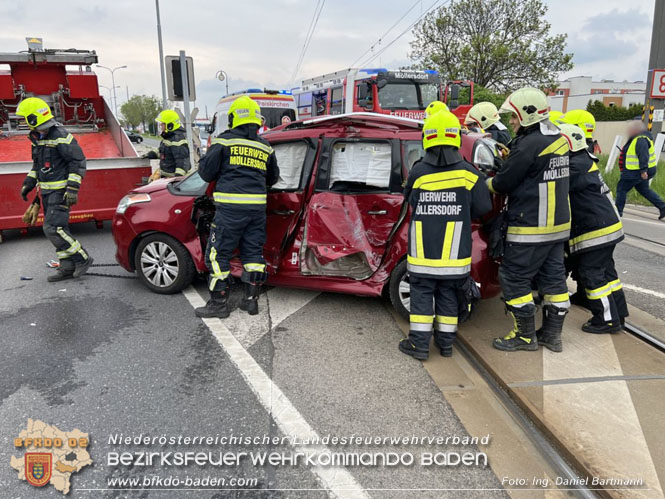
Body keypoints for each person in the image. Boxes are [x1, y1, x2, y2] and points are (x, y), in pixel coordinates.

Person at [399, 110, 492, 360]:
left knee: (421, 299)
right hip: (455, 256)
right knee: (448, 296)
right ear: (456, 138)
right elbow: (484, 208)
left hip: (423, 253)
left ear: (426, 138)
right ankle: (446, 344)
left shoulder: (418, 173)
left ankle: (418, 345)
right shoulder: (469, 173)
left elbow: (410, 201)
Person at [487, 87, 571, 353]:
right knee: (554, 281)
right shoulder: (558, 138)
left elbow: (503, 183)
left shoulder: (528, 144)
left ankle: (524, 337)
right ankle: (552, 336)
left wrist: (485, 183)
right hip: (557, 228)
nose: (512, 122)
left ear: (528, 114)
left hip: (530, 227)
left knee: (513, 277)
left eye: (514, 117)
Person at [195, 96, 280, 318]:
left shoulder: (224, 142)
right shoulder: (265, 146)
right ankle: (250, 302)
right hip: (256, 214)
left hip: (230, 213)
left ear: (234, 118)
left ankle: (219, 305)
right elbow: (273, 178)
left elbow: (205, 173)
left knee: (217, 256)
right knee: (252, 255)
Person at [559, 124, 627, 333]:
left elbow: (552, 184)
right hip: (607, 227)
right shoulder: (584, 160)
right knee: (608, 273)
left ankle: (606, 319)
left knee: (592, 274)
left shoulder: (572, 167)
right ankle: (619, 313)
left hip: (595, 230)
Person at [16, 97, 93, 282]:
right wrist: (29, 183)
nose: (21, 122)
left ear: (34, 119)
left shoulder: (60, 135)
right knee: (60, 228)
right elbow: (37, 166)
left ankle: (82, 258)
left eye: (24, 118)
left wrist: (73, 188)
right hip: (47, 192)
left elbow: (77, 161)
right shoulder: (38, 138)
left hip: (61, 192)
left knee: (52, 228)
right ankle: (66, 267)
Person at [615, 120, 665, 220]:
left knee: (621, 189)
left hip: (635, 171)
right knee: (644, 190)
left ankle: (617, 213)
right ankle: (663, 207)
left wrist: (643, 171)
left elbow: (643, 156)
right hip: (639, 171)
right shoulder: (640, 137)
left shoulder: (640, 139)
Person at [145, 109, 191, 178]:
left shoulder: (177, 140)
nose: (160, 126)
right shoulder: (168, 137)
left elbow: (182, 162)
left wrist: (177, 178)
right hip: (167, 178)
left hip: (174, 180)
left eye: (162, 124)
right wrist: (152, 154)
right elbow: (164, 151)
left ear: (170, 125)